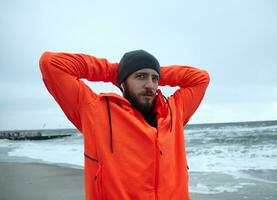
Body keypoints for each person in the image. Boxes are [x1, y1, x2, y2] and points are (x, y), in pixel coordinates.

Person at [39, 49, 210, 200]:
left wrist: (152, 70)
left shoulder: (174, 112)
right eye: (140, 76)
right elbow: (52, 64)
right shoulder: (95, 111)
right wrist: (116, 72)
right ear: (122, 82)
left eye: (155, 78)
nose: (150, 85)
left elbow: (201, 78)